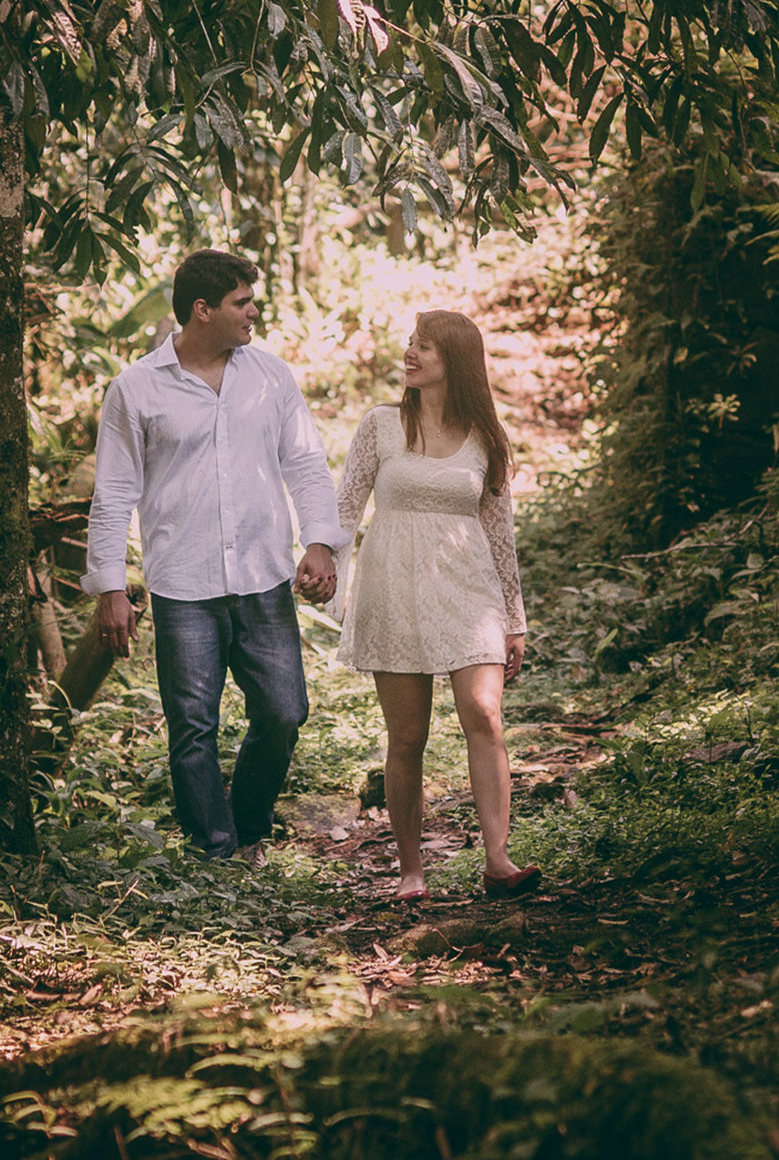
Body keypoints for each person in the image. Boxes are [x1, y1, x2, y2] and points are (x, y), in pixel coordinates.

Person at [82, 249, 346, 865]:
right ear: (203, 310)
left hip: (264, 576)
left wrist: (320, 541)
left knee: (284, 711)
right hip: (183, 585)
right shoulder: (136, 388)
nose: (254, 312)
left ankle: (249, 828)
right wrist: (110, 587)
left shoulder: (271, 377)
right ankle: (216, 850)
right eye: (241, 303)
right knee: (192, 729)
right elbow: (114, 491)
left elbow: (305, 463)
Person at [334, 309, 539, 902]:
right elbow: (346, 507)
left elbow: (501, 534)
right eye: (410, 343)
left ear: (456, 360)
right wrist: (325, 562)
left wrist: (514, 620)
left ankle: (498, 860)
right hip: (393, 588)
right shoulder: (380, 426)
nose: (410, 354)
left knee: (484, 713)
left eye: (424, 346)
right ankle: (410, 872)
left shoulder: (484, 439)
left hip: (468, 589)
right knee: (407, 737)